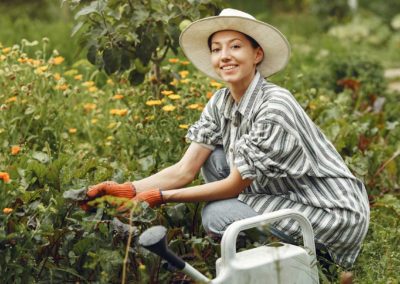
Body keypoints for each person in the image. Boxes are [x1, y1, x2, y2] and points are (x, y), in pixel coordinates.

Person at [83, 8, 370, 270]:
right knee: (216, 159)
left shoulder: (275, 106)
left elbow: (234, 184)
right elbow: (185, 170)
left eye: (235, 46)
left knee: (218, 214)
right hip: (286, 194)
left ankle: (312, 262)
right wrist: (127, 190)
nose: (225, 56)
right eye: (216, 49)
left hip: (330, 211)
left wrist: (159, 198)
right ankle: (269, 250)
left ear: (257, 54)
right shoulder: (221, 101)